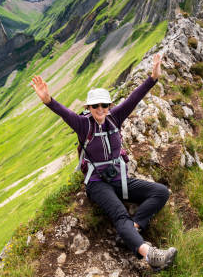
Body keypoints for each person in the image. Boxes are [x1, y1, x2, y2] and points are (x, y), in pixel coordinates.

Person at [30, 53, 177, 271]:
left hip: (118, 178)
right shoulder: (82, 125)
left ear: (109, 105)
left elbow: (134, 98)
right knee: (120, 215)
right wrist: (48, 100)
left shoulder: (114, 117)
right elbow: (64, 113)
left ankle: (133, 229)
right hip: (97, 184)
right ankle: (151, 257)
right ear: (88, 107)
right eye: (95, 106)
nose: (100, 110)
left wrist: (153, 77)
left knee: (161, 192)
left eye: (104, 105)